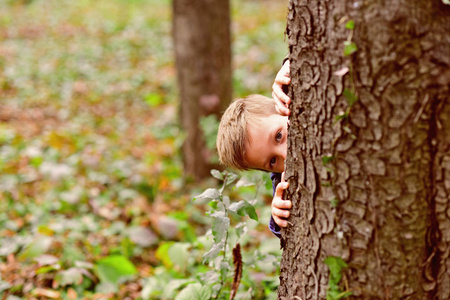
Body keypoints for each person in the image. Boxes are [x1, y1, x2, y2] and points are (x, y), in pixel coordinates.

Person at [216, 91, 292, 238]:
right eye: (272, 161)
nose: (285, 154)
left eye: (278, 136)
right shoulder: (283, 182)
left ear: (283, 107)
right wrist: (279, 216)